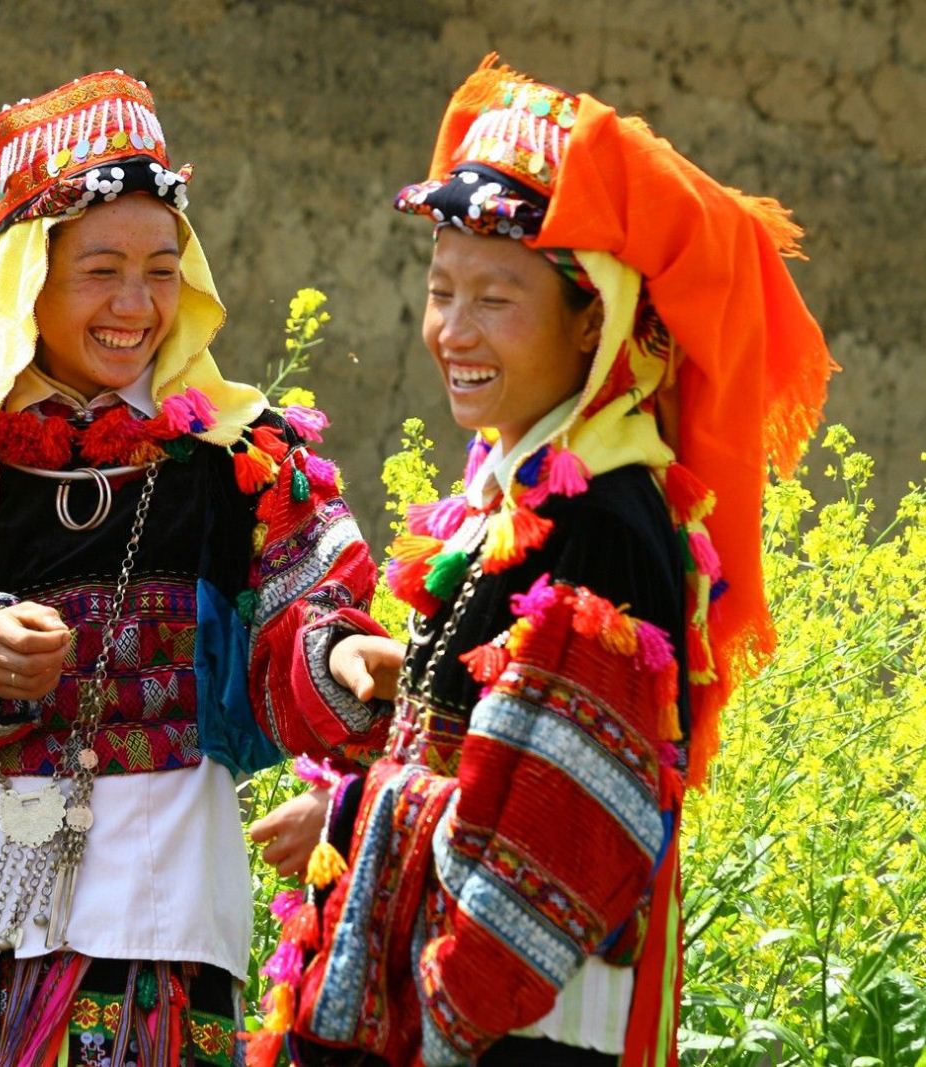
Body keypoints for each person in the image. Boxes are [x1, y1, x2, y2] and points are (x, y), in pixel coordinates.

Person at [0, 71, 389, 1066]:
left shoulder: (244, 458)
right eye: (100, 269)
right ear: (26, 277)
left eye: (162, 271)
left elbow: (310, 607)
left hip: (152, 918)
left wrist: (347, 661)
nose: (136, 304)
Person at [249, 57, 833, 1066]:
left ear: (592, 324)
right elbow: (492, 756)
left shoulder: (604, 523)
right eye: (440, 292)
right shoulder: (521, 501)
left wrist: (354, 810)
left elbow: (538, 858)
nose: (452, 332)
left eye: (494, 299)